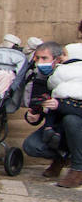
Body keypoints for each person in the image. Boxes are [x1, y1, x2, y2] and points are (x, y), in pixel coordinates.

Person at [22, 41, 69, 179]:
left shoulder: (70, 75)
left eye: (44, 58)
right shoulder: (40, 78)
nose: (40, 62)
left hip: (71, 123)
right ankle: (62, 158)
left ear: (57, 59)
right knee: (31, 146)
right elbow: (37, 108)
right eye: (37, 58)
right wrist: (32, 115)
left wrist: (59, 106)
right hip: (53, 127)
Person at [43, 43, 82, 188]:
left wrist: (63, 106)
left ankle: (78, 169)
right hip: (62, 119)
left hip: (72, 117)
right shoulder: (66, 60)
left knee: (71, 120)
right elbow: (48, 85)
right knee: (32, 146)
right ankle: (61, 157)